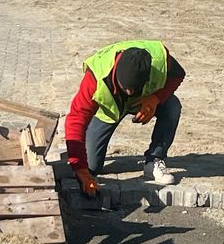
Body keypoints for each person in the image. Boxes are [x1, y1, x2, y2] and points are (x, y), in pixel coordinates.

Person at [64, 40, 185, 195]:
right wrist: (80, 169)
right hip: (109, 110)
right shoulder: (96, 75)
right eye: (125, 88)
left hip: (142, 102)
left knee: (172, 106)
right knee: (91, 167)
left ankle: (154, 159)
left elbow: (178, 75)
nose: (128, 92)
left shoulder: (160, 60)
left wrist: (156, 98)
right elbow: (76, 119)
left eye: (133, 89)